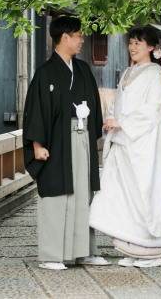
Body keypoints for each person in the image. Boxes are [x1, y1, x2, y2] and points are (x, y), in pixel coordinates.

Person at [22, 15, 110, 270]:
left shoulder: (82, 70)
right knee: (57, 195)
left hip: (81, 138)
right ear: (65, 37)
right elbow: (36, 110)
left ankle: (84, 251)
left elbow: (94, 104)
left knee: (83, 194)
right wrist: (37, 144)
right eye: (79, 35)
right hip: (57, 141)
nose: (82, 40)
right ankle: (52, 255)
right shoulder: (46, 73)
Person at [89, 25, 161, 268]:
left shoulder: (154, 73)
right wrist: (113, 119)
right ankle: (132, 248)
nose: (132, 47)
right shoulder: (128, 72)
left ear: (151, 47)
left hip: (142, 146)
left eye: (138, 43)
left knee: (142, 195)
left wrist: (123, 122)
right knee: (122, 196)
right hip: (123, 142)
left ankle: (150, 252)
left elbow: (152, 110)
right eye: (131, 42)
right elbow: (120, 104)